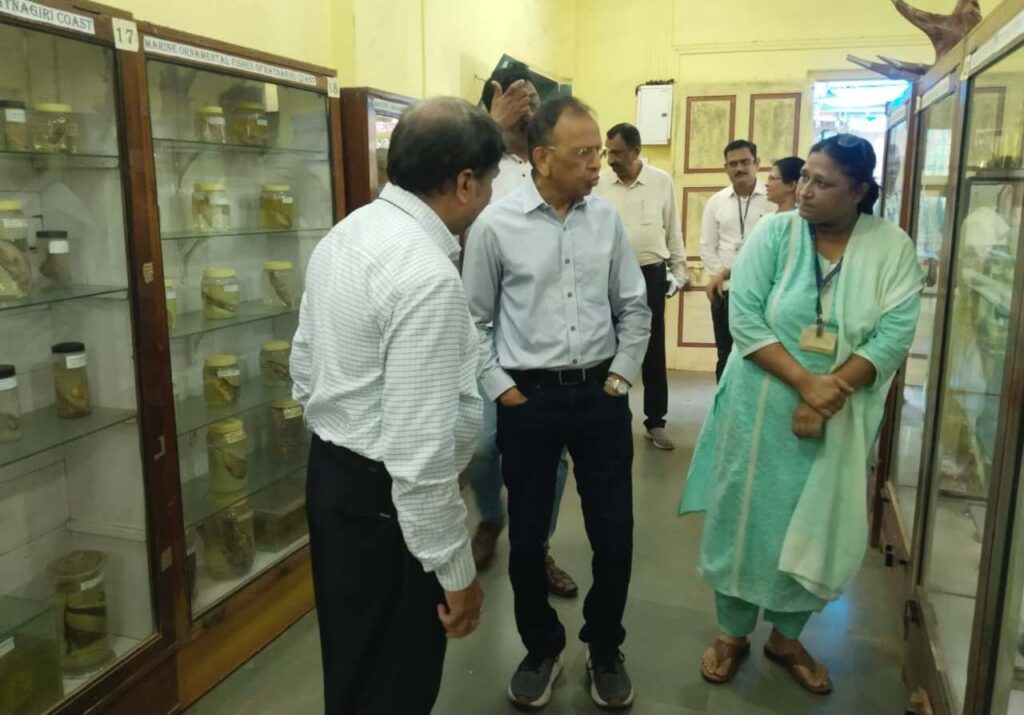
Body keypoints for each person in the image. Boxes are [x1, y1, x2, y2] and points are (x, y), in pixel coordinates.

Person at [679, 134, 923, 695]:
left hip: (839, 414)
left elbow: (893, 335)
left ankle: (786, 637)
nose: (806, 190)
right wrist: (808, 385)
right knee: (744, 517)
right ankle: (732, 632)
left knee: (812, 523)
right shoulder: (775, 234)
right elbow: (746, 321)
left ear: (858, 191)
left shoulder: (891, 249)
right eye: (805, 176)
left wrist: (829, 393)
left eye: (823, 182)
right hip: (758, 409)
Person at [291, 97, 500, 715]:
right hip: (388, 505)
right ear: (465, 183)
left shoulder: (348, 233)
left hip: (333, 479)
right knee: (396, 681)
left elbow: (303, 365)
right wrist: (457, 575)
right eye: (491, 180)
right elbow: (419, 459)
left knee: (353, 662)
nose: (490, 193)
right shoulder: (425, 275)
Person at [463, 97, 651, 709]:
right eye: (584, 153)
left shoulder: (606, 220)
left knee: (614, 534)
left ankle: (605, 646)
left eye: (598, 152)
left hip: (600, 396)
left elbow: (634, 306)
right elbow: (472, 322)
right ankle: (540, 648)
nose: (598, 164)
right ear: (542, 158)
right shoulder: (495, 226)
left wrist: (619, 379)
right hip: (530, 400)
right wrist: (503, 389)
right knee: (527, 539)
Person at [466, 63, 578, 598]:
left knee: (551, 457)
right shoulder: (477, 163)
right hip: (483, 330)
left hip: (544, 338)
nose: (528, 105)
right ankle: (492, 517)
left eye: (534, 97)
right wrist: (490, 125)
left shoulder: (551, 169)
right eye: (517, 95)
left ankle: (539, 546)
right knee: (483, 446)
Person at [596, 122, 687, 451]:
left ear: (636, 151)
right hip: (608, 275)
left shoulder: (661, 181)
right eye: (608, 152)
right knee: (606, 346)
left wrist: (679, 272)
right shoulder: (599, 184)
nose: (611, 160)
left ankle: (656, 421)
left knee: (652, 348)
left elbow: (672, 229)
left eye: (618, 153)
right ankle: (608, 416)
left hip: (650, 273)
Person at [700, 140, 777, 381]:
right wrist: (720, 278)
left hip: (763, 291)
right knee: (725, 354)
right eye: (733, 164)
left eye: (745, 162)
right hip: (725, 292)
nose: (739, 168)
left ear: (757, 163)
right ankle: (724, 403)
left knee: (762, 354)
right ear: (726, 168)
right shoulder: (717, 201)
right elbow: (707, 245)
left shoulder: (773, 199)